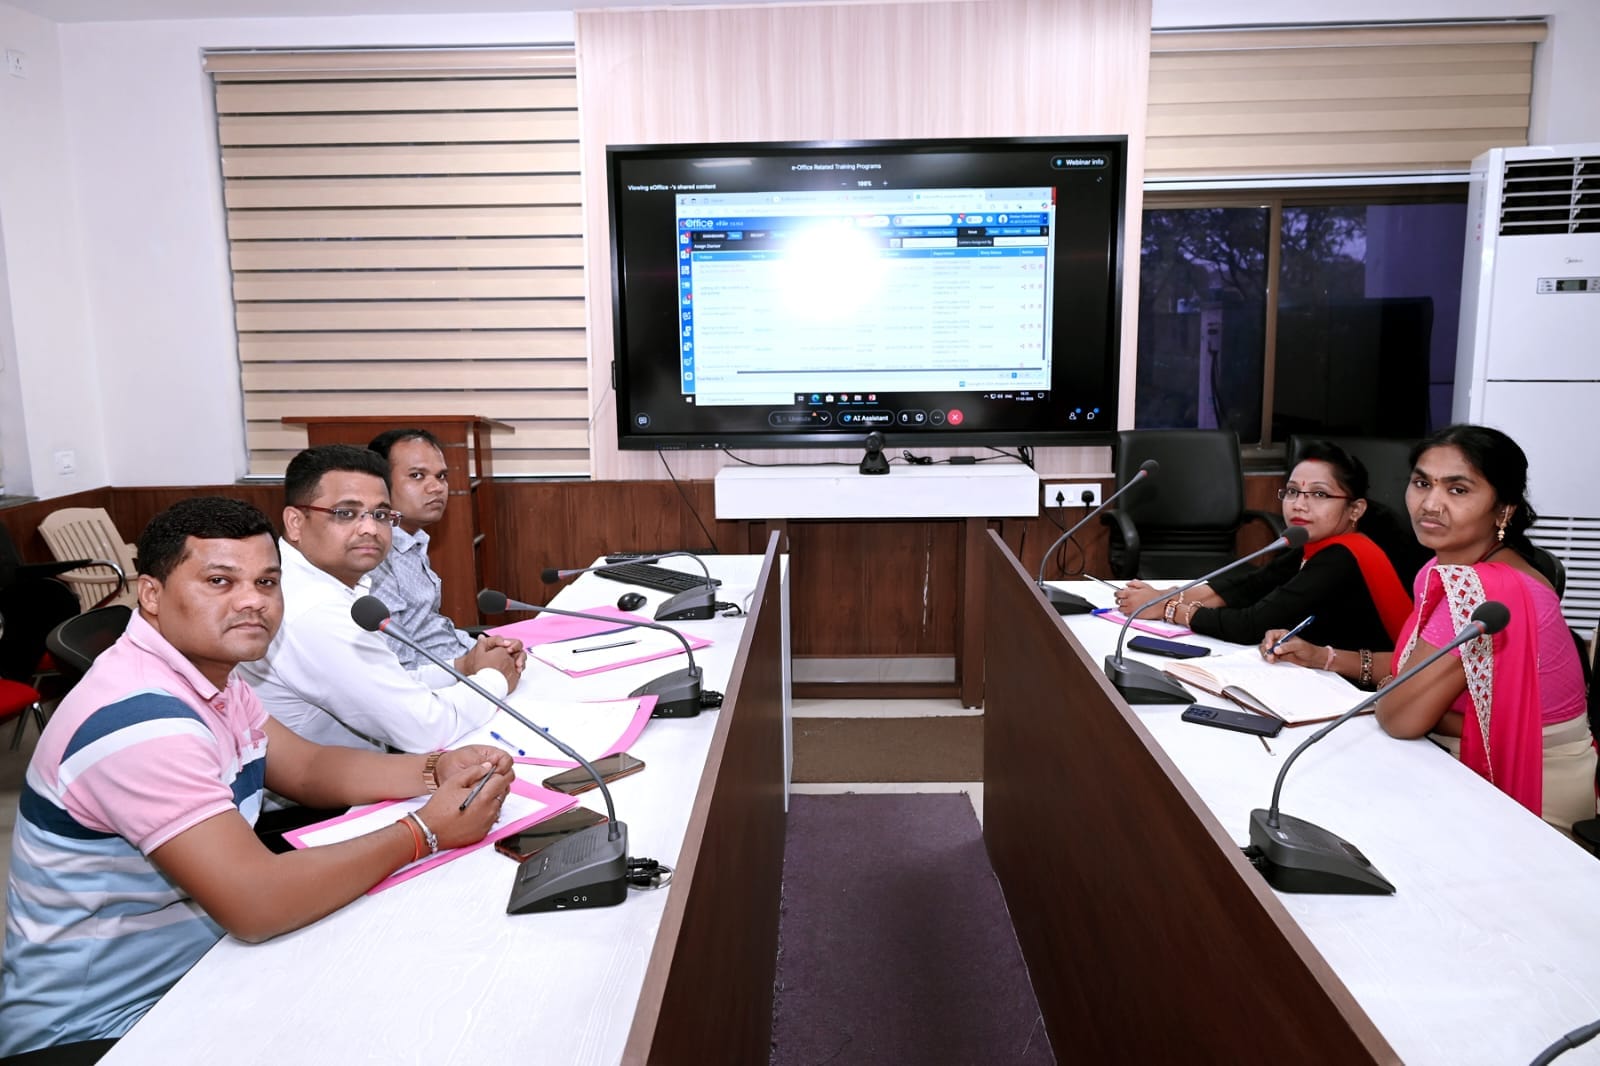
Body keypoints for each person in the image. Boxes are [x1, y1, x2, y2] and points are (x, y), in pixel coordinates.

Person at [0, 498, 514, 1059]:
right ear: (150, 594)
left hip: (206, 970)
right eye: (219, 581)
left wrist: (433, 770)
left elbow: (307, 767)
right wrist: (426, 832)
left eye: (266, 581)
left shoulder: (207, 673)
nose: (253, 601)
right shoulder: (139, 719)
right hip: (108, 1027)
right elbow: (257, 904)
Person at [1265, 425, 1594, 835]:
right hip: (1464, 758)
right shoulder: (1447, 566)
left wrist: (1401, 692)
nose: (1430, 504)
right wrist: (1323, 657)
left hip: (1530, 795)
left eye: (1457, 490)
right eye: (1422, 483)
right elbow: (1417, 665)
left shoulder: (1483, 590)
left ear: (1504, 510)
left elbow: (1401, 717)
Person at [238, 444, 519, 753]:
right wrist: (495, 678)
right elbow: (425, 729)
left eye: (381, 514)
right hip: (337, 782)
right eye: (346, 513)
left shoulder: (308, 579)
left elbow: (389, 682)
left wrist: (463, 666)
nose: (370, 529)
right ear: (295, 522)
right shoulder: (315, 608)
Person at [1112, 441, 1414, 653]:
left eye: (1319, 495)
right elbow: (1249, 586)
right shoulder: (1315, 542)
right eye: (1293, 491)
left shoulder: (1345, 556)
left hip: (1360, 693)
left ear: (1355, 509)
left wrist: (1168, 609)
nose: (1299, 504)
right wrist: (1165, 595)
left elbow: (1252, 625)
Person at [367, 428, 525, 683]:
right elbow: (399, 674)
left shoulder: (414, 541)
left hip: (462, 665)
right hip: (442, 687)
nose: (436, 487)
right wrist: (472, 666)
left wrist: (491, 647)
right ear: (379, 485)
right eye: (417, 475)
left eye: (441, 476)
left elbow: (431, 629)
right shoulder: (374, 558)